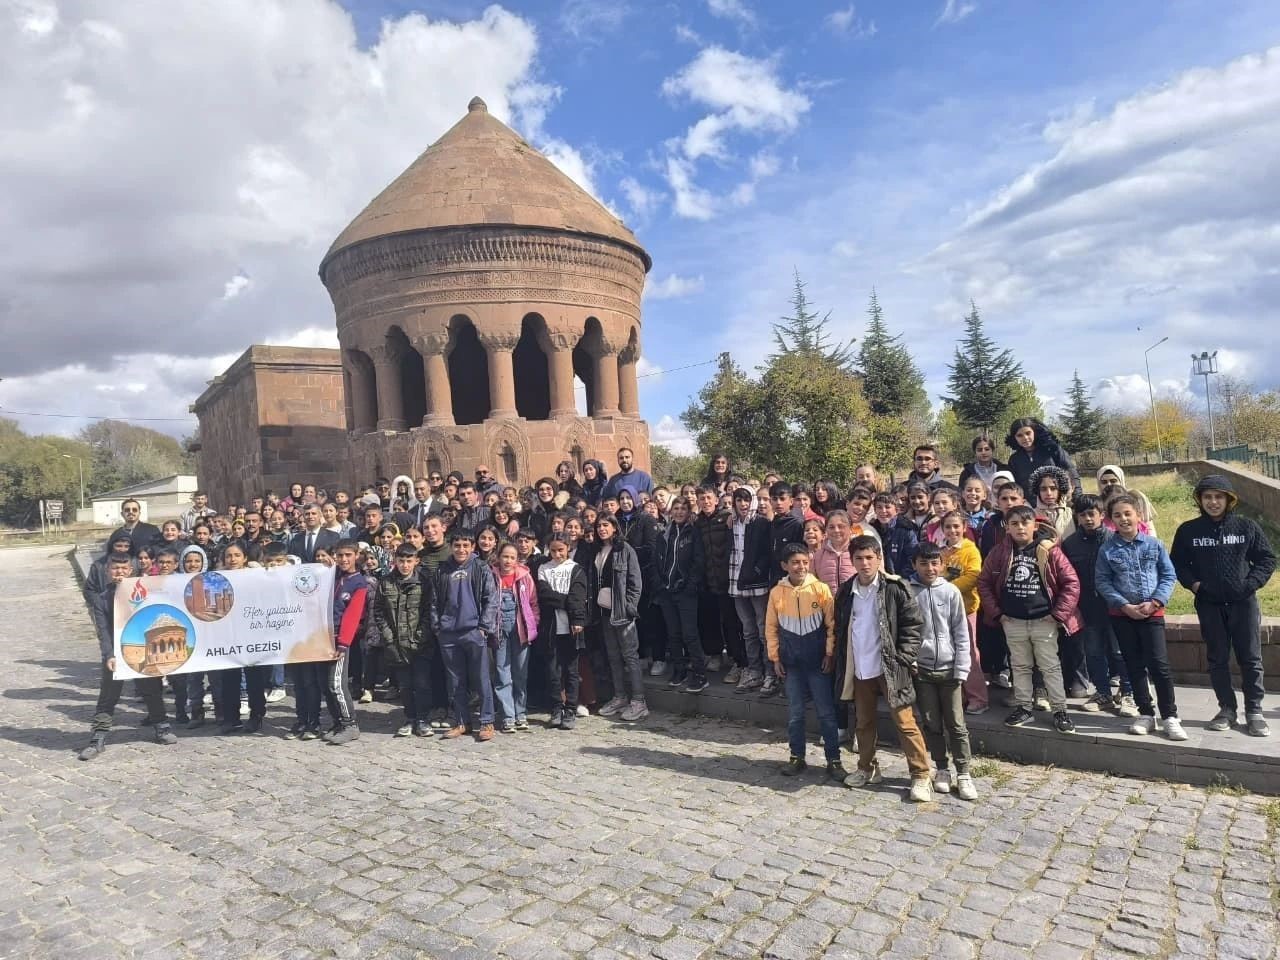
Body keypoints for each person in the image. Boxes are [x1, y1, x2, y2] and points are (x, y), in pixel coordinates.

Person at [1171, 475, 1276, 737]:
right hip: (1209, 605)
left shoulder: (1246, 527)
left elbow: (1266, 559)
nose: (1213, 502)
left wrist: (1250, 584)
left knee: (1250, 658)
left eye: (1219, 497)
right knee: (1217, 659)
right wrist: (1196, 586)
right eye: (1208, 497)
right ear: (1200, 500)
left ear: (1229, 500)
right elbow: (1178, 564)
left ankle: (1254, 712)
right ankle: (1227, 709)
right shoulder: (1188, 531)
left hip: (1243, 604)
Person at [833, 536, 933, 801]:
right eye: (859, 558)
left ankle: (921, 775)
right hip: (860, 668)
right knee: (863, 722)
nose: (864, 563)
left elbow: (913, 625)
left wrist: (903, 657)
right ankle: (867, 768)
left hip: (890, 667)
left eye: (869, 557)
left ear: (879, 558)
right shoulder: (845, 591)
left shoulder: (895, 588)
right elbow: (842, 628)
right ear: (851, 560)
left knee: (905, 722)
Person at [977, 504, 1080, 734]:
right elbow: (983, 582)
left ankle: (1060, 710)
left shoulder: (1048, 550)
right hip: (1012, 620)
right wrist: (998, 614)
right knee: (1020, 666)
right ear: (1007, 527)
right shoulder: (999, 552)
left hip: (1044, 620)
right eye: (1014, 523)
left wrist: (1057, 615)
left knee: (1050, 667)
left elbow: (1071, 583)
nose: (1020, 527)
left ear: (1035, 525)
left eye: (1025, 523)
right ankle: (1024, 707)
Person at [1094, 494, 1184, 740]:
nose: (1123, 519)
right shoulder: (1108, 549)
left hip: (1152, 614)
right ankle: (1146, 713)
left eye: (1127, 513)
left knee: (1159, 665)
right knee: (1133, 664)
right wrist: (1124, 605)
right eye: (1117, 515)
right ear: (1111, 521)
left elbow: (1168, 575)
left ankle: (1170, 716)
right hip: (1123, 615)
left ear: (1138, 515)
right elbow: (1102, 581)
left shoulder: (1154, 545)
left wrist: (1155, 601)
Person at [79, 553, 177, 760]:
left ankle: (161, 726)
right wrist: (109, 655)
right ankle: (99, 736)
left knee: (151, 690)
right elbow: (103, 630)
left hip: (141, 650)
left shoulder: (143, 593)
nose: (120, 572)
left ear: (130, 571)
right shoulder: (102, 599)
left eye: (124, 569)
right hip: (115, 653)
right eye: (115, 568)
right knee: (108, 695)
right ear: (108, 571)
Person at [766, 543, 844, 781]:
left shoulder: (820, 589)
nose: (800, 567)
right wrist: (775, 657)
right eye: (794, 563)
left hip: (817, 663)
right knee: (796, 713)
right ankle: (796, 756)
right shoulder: (777, 593)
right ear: (785, 566)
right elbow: (771, 627)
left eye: (804, 562)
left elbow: (832, 625)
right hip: (791, 664)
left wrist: (829, 654)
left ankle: (834, 759)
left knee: (826, 713)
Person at [910, 544, 978, 800]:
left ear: (942, 564)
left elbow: (961, 632)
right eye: (924, 564)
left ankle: (963, 772)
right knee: (932, 722)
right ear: (915, 565)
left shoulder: (950, 592)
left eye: (935, 563)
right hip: (923, 670)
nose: (930, 569)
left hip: (950, 669)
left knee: (956, 724)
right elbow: (909, 631)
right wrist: (911, 661)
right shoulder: (909, 592)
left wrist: (962, 667)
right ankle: (941, 768)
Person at [1060, 495, 1138, 717]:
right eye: (1083, 514)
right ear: (1077, 517)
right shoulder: (1070, 544)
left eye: (1092, 513)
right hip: (1088, 607)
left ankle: (1128, 692)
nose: (1088, 518)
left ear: (1101, 515)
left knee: (1120, 652)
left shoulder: (1115, 539)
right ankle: (1103, 693)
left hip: (1116, 607)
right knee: (1093, 652)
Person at [433, 530, 499, 742]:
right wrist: (437, 627)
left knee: (482, 679)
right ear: (451, 546)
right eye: (457, 545)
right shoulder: (442, 569)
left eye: (466, 545)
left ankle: (487, 722)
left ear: (472, 547)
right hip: (449, 633)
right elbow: (433, 601)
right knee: (455, 680)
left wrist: (483, 627)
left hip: (474, 631)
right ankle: (462, 721)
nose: (461, 549)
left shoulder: (480, 567)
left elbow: (491, 599)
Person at [371, 542, 435, 738]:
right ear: (395, 561)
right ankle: (410, 718)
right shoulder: (386, 582)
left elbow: (429, 611)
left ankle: (423, 719)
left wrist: (420, 637)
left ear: (416, 561)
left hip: (420, 643)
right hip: (397, 644)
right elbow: (379, 612)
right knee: (405, 685)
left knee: (422, 684)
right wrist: (389, 637)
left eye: (409, 561)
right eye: (401, 561)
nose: (405, 565)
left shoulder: (424, 581)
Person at [589, 515, 648, 722]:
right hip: (604, 612)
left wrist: (629, 607)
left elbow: (635, 582)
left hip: (622, 613)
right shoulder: (596, 550)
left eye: (606, 525)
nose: (602, 529)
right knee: (613, 656)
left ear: (614, 527)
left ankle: (639, 701)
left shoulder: (625, 550)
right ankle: (620, 696)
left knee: (630, 656)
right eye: (598, 526)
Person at [537, 534, 590, 729]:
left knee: (571, 671)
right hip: (551, 628)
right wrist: (566, 601)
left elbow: (578, 596)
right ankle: (556, 708)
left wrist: (575, 616)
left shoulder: (576, 569)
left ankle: (570, 709)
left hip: (572, 628)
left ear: (568, 548)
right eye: (553, 550)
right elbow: (544, 595)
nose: (557, 554)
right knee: (553, 671)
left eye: (561, 550)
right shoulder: (544, 568)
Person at [655, 498, 707, 692]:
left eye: (683, 509)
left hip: (686, 591)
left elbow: (698, 560)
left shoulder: (693, 533)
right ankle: (680, 669)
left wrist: (690, 584)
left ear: (688, 511)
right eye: (676, 508)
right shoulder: (664, 534)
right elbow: (657, 560)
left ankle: (700, 673)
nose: (679, 512)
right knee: (673, 633)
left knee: (689, 633)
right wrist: (660, 584)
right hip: (667, 591)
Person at [939, 510, 987, 715]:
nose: (952, 530)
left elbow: (973, 576)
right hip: (944, 610)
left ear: (964, 527)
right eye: (948, 526)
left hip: (966, 609)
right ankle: (960, 696)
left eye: (956, 526)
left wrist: (947, 590)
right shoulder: (941, 551)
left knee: (968, 653)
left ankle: (978, 697)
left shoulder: (970, 550)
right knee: (950, 654)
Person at [324, 540, 370, 745]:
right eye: (340, 555)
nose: (343, 559)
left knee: (337, 684)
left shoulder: (359, 584)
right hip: (323, 636)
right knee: (327, 684)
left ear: (356, 555)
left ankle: (350, 724)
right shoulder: (333, 577)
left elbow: (352, 616)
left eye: (348, 555)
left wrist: (343, 644)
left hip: (339, 641)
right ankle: (338, 722)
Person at [491, 542, 540, 733]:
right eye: (505, 556)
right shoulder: (491, 576)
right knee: (502, 672)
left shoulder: (524, 576)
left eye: (512, 557)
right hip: (498, 629)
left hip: (521, 629)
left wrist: (533, 623)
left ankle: (521, 713)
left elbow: (533, 602)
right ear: (498, 557)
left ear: (517, 559)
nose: (508, 561)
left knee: (520, 673)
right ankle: (508, 715)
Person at [727, 487, 772, 694]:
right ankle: (754, 671)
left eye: (746, 500)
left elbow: (766, 552)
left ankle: (770, 672)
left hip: (756, 583)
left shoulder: (761, 523)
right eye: (739, 500)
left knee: (764, 629)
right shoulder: (730, 522)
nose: (743, 504)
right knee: (748, 630)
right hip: (736, 581)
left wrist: (756, 571)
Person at [694, 486, 739, 682]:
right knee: (710, 621)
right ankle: (715, 655)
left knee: (731, 623)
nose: (705, 501)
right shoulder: (698, 523)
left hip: (727, 579)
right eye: (702, 498)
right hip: (707, 580)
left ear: (716, 499)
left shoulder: (727, 517)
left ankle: (738, 661)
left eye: (708, 498)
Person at [1006, 418, 1082, 498]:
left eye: (1028, 433)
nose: (1025, 437)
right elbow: (1015, 486)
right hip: (1030, 506)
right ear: (1014, 438)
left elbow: (1071, 472)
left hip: (1056, 502)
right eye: (1019, 435)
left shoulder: (1052, 450)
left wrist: (1078, 498)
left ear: (1034, 432)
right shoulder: (1014, 459)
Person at [1096, 464, 1157, 534]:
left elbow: (1149, 529)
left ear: (1121, 481)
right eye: (1104, 482)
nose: (1109, 484)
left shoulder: (1137, 498)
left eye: (1113, 481)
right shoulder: (1096, 504)